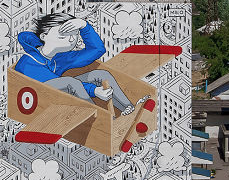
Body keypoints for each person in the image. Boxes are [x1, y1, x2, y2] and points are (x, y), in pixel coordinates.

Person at [16, 13, 146, 114]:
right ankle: (102, 119)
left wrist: (84, 26)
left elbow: (97, 50)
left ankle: (128, 107)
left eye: (75, 33)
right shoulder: (29, 61)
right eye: (64, 34)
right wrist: (94, 90)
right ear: (44, 36)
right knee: (70, 82)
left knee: (100, 74)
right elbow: (61, 84)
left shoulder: (60, 56)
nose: (72, 39)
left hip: (59, 89)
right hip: (41, 96)